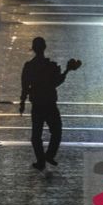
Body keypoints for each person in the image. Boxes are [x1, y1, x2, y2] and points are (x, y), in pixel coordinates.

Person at [19, 36, 81, 170]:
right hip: (49, 103)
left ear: (33, 49)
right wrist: (67, 71)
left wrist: (22, 102)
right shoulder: (51, 66)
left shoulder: (29, 66)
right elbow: (56, 82)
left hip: (37, 104)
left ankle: (41, 160)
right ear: (44, 48)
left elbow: (25, 86)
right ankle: (49, 155)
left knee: (36, 135)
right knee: (56, 131)